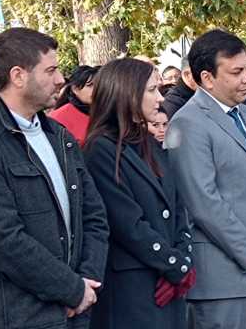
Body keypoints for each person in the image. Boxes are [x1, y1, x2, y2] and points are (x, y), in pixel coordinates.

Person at [0, 27, 109, 328]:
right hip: (19, 318)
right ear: (18, 75)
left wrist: (86, 285)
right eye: (51, 70)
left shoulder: (60, 137)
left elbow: (94, 215)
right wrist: (72, 290)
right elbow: (2, 242)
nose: (61, 79)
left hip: (76, 314)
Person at [165, 29, 246, 329]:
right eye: (237, 72)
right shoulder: (187, 123)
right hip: (223, 282)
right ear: (207, 78)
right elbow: (204, 204)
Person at [83, 58, 194, 328]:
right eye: (152, 90)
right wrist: (173, 264)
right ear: (127, 92)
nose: (160, 99)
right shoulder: (102, 149)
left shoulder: (146, 142)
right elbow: (127, 224)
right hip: (133, 288)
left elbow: (177, 206)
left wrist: (182, 261)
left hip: (165, 281)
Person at [49, 65, 99, 146]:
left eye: (98, 85)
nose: (96, 90)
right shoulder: (58, 118)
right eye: (90, 85)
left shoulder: (105, 112)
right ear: (75, 89)